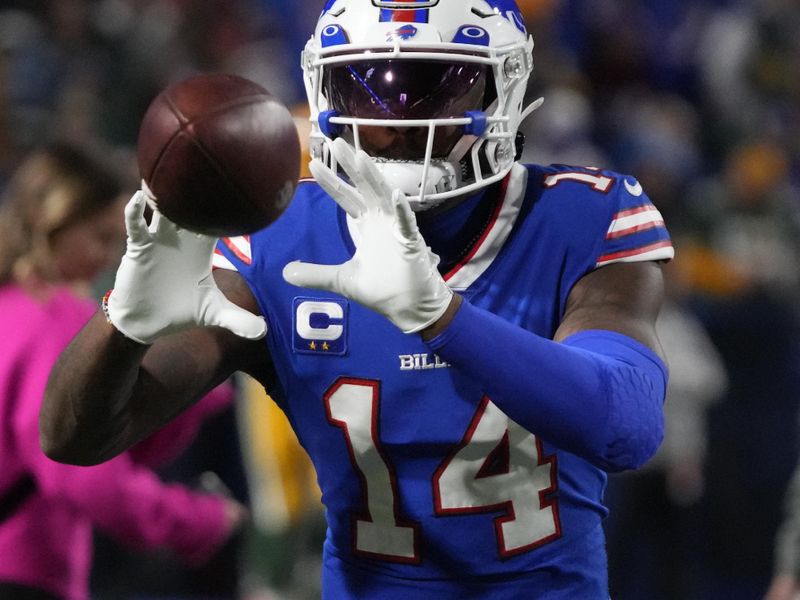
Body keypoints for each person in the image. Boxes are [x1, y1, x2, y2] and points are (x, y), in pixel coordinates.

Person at [40, 2, 674, 598]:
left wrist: (441, 317)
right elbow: (75, 437)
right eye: (366, 89)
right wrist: (120, 322)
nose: (399, 121)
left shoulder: (578, 213)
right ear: (324, 94)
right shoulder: (280, 236)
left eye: (434, 87)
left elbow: (628, 427)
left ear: (500, 90)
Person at [0, 142, 246, 600]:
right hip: (24, 576)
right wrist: (201, 520)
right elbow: (86, 475)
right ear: (53, 224)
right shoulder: (53, 321)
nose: (110, 255)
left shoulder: (11, 309)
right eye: (100, 236)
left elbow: (102, 437)